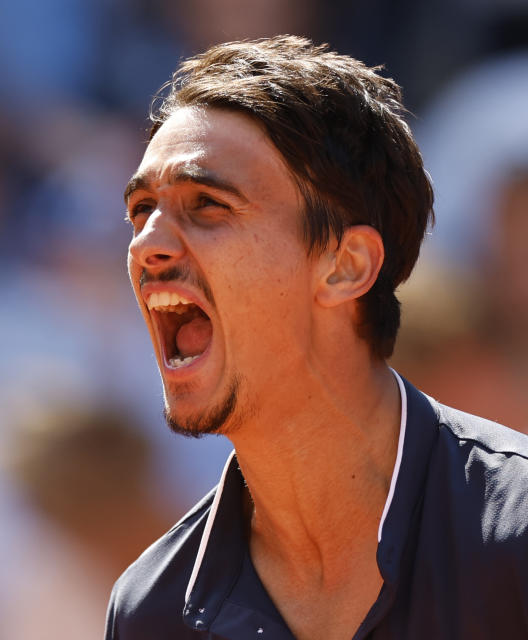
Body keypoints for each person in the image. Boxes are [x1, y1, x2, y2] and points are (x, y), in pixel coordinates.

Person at [105, 36, 528, 640]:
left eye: (207, 205)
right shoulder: (149, 611)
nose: (147, 244)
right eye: (142, 209)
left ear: (346, 265)